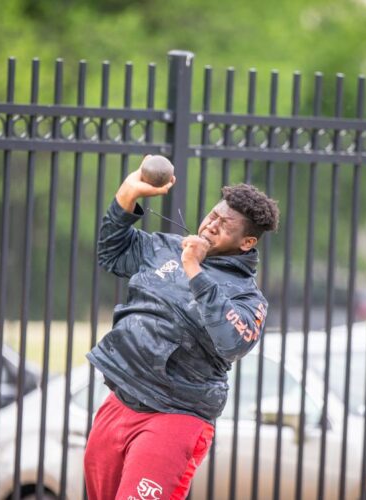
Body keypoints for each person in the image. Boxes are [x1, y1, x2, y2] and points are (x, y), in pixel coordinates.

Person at [84, 156, 280, 500]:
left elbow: (232, 341)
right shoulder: (164, 248)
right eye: (213, 215)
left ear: (247, 242)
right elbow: (111, 253)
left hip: (176, 416)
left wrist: (194, 270)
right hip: (120, 400)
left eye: (225, 224)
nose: (211, 225)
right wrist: (127, 196)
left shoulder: (250, 299)